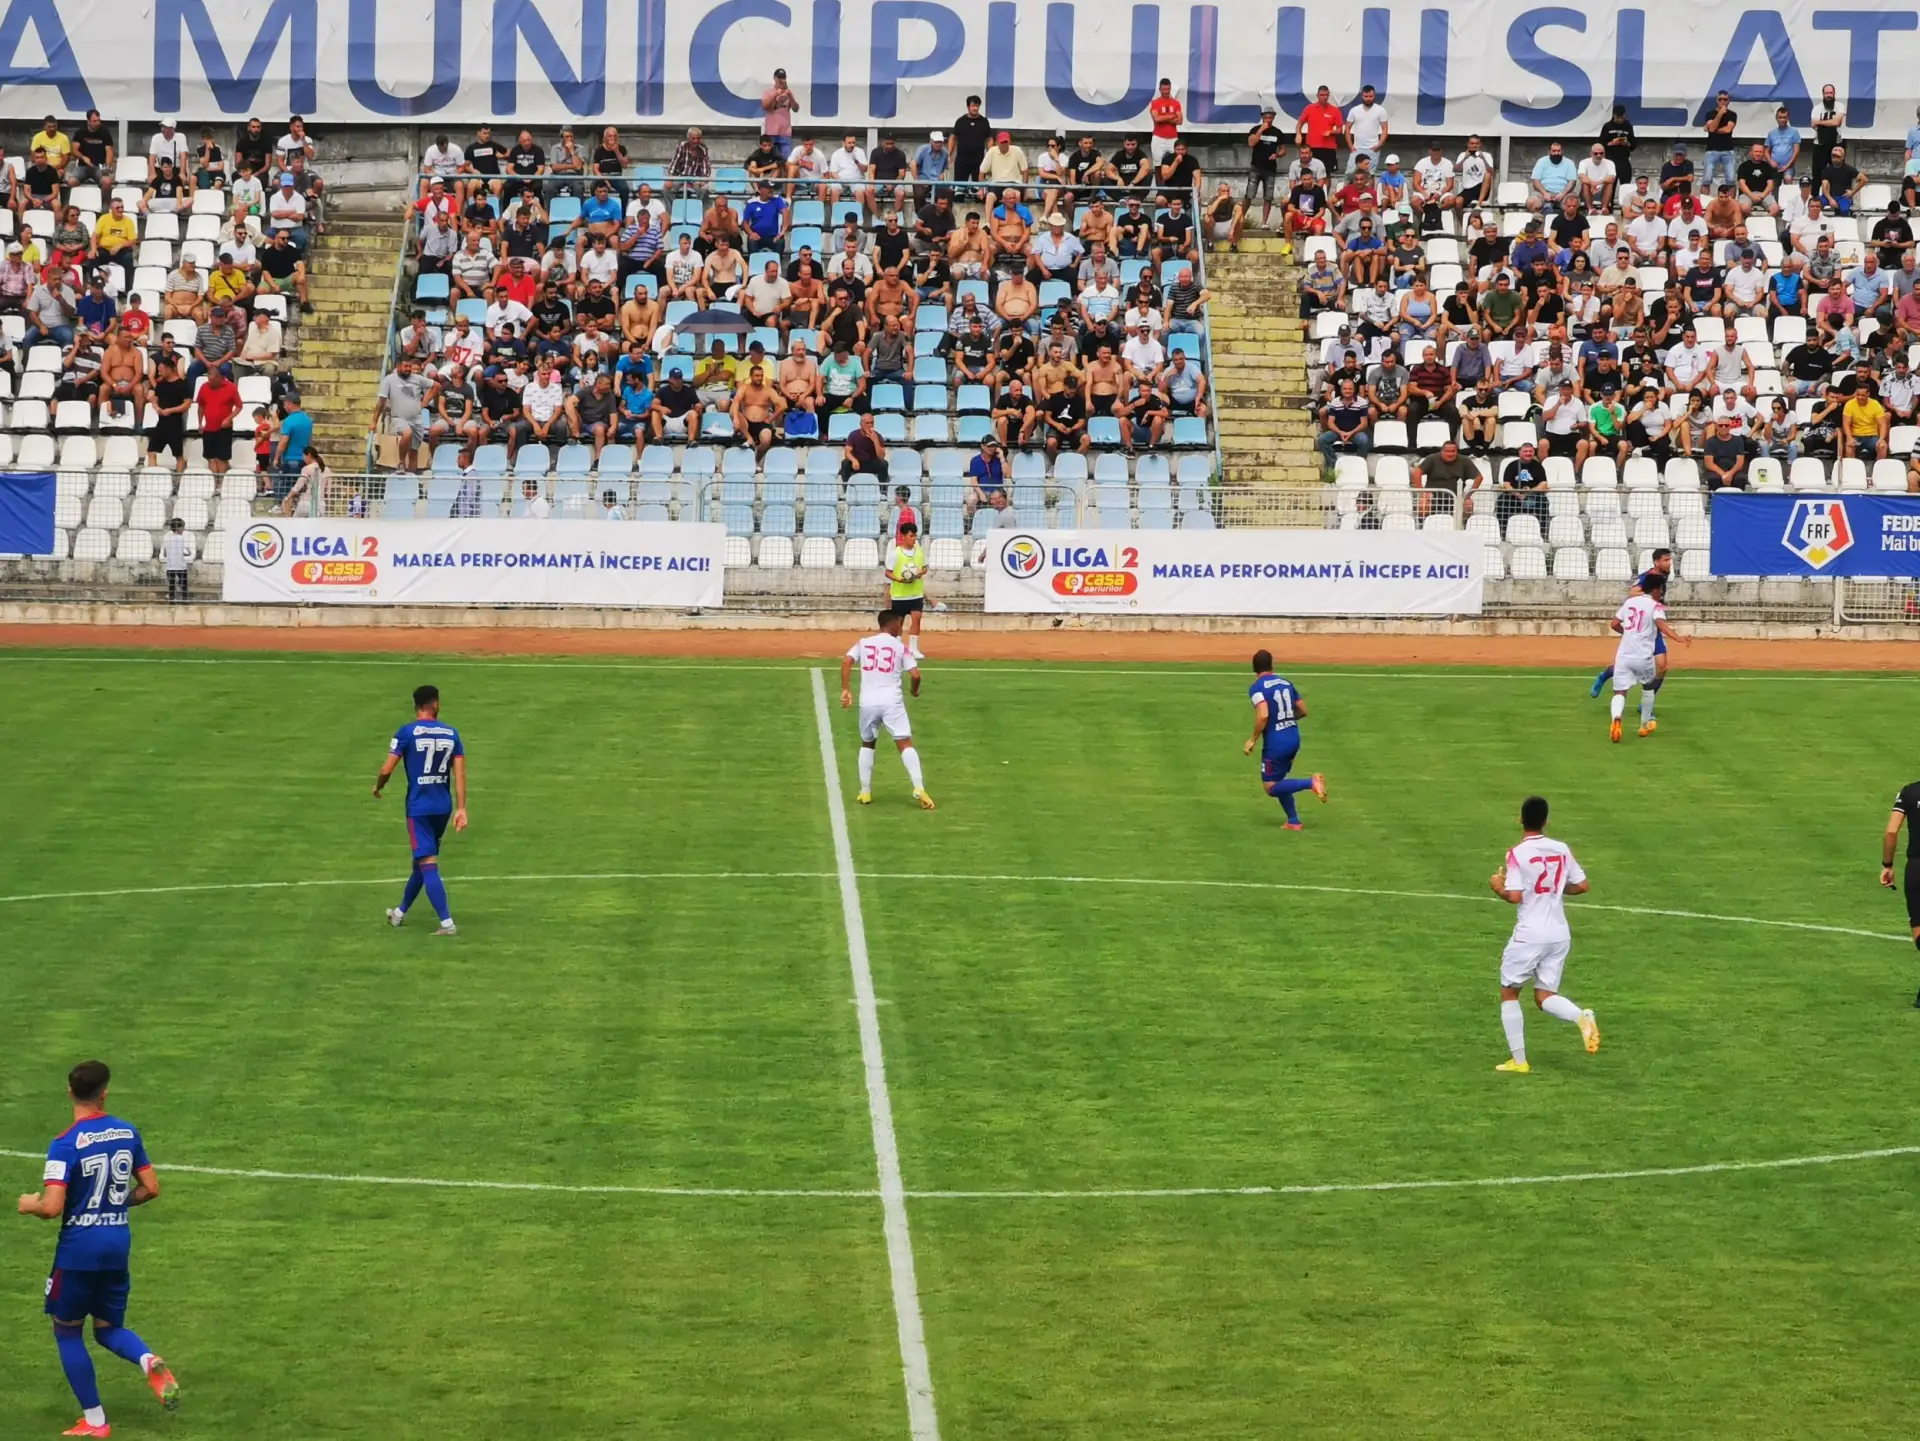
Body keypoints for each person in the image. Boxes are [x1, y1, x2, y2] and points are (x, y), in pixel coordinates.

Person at [16, 1059, 181, 1437]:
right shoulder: (126, 1131)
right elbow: (151, 1187)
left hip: (78, 1251)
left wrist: (29, 1205)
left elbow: (53, 1206)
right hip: (116, 1244)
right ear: (104, 1092)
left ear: (70, 1091)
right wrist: (114, 1205)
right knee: (108, 1329)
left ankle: (95, 1422)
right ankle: (147, 1358)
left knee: (67, 1331)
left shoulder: (64, 1144)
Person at [1489, 796, 1600, 1074]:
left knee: (1509, 992)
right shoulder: (1561, 849)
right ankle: (1580, 1016)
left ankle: (1519, 1061)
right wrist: (1552, 889)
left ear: (1520, 819)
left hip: (1531, 933)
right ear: (1546, 821)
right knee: (1544, 995)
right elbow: (1582, 886)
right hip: (1559, 933)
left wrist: (1497, 886)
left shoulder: (1516, 854)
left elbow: (1514, 896)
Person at [375, 683, 467, 937]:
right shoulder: (452, 733)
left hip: (419, 808)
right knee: (421, 860)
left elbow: (386, 769)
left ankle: (447, 923)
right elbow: (459, 773)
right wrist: (462, 808)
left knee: (427, 862)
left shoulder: (406, 732)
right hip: (442, 807)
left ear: (416, 705)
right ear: (434, 703)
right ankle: (399, 914)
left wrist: (377, 786)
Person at [839, 608, 933, 810]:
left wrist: (846, 689)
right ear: (891, 625)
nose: (902, 627)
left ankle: (865, 791)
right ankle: (919, 787)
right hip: (892, 702)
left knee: (867, 743)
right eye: (900, 623)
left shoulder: (863, 643)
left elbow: (846, 661)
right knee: (905, 743)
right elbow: (916, 675)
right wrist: (914, 691)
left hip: (868, 702)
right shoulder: (900, 647)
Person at [1242, 648, 1328, 830]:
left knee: (1271, 787)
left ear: (1254, 668)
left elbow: (1263, 715)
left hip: (1276, 743)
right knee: (1280, 780)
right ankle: (1293, 821)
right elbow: (1303, 710)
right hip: (1293, 737)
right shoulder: (1286, 682)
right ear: (1271, 665)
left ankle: (1310, 782)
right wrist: (1286, 719)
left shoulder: (1256, 687)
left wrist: (1252, 739)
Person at [1608, 571, 1687, 742]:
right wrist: (1679, 638)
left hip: (1623, 655)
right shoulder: (1655, 606)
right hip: (1643, 656)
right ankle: (1644, 725)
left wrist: (1627, 633)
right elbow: (1661, 624)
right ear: (1657, 589)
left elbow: (1614, 624)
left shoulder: (1629, 602)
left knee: (1619, 692)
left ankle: (1616, 718)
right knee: (1648, 687)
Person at [1880, 781, 1920, 999]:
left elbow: (1891, 832)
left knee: (1918, 930)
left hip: (1917, 868)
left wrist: (1887, 865)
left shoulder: (1910, 792)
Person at [884, 518, 931, 658]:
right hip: (900, 594)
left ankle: (913, 649)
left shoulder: (919, 551)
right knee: (899, 622)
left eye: (915, 535)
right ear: (903, 537)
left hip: (915, 592)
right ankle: (898, 648)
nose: (914, 538)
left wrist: (919, 573)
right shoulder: (895, 553)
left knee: (917, 618)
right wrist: (899, 579)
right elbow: (888, 572)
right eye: (911, 536)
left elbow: (924, 568)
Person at [160, 516, 192, 602]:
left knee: (171, 585)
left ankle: (172, 599)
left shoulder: (167, 539)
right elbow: (189, 552)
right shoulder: (182, 539)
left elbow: (165, 554)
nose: (183, 530)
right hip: (181, 566)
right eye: (183, 528)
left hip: (170, 567)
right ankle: (184, 599)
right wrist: (183, 553)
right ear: (178, 528)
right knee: (183, 585)